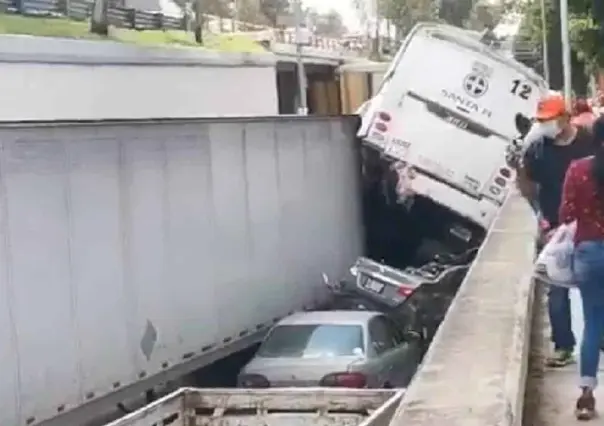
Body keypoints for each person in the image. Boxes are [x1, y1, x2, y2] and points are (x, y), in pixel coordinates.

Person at [520, 93, 594, 367]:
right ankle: (563, 345)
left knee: (595, 284)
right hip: (555, 226)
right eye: (541, 121)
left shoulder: (588, 142)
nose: (545, 125)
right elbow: (526, 182)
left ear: (564, 117)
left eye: (549, 119)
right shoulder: (538, 149)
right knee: (556, 290)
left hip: (590, 225)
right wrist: (541, 218)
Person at [559, 116, 604, 420]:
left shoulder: (578, 169)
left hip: (588, 252)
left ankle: (587, 396)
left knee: (592, 322)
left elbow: (566, 214)